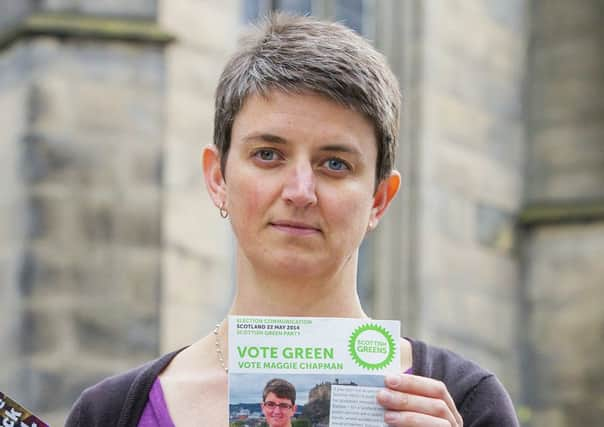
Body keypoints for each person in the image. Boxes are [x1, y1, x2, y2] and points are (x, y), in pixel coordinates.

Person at [65, 12, 519, 427]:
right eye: (268, 155)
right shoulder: (108, 414)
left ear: (380, 198)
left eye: (335, 163)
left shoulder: (466, 403)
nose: (300, 191)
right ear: (218, 177)